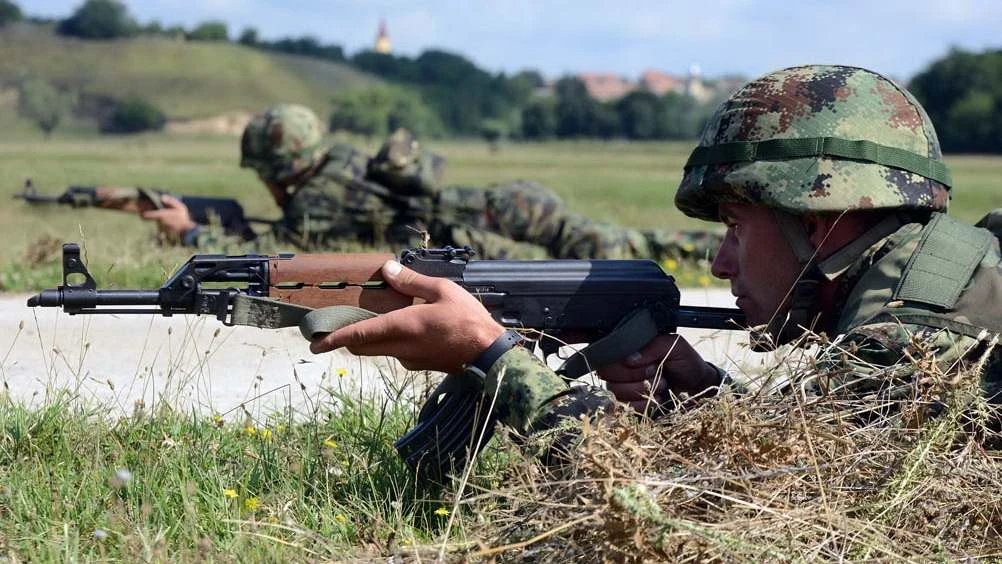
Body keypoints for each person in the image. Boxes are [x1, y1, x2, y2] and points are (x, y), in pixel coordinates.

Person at [307, 64, 1002, 458]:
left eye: (734, 225)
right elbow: (810, 459)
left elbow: (725, 517)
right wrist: (704, 397)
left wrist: (494, 358)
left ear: (819, 222)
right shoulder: (926, 280)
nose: (722, 262)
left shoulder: (915, 331)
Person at [143, 104, 720, 261]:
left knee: (607, 255)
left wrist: (191, 234)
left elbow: (269, 255)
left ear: (278, 168)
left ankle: (723, 250)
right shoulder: (342, 161)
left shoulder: (316, 198)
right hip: (505, 201)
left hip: (482, 227)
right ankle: (723, 248)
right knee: (617, 244)